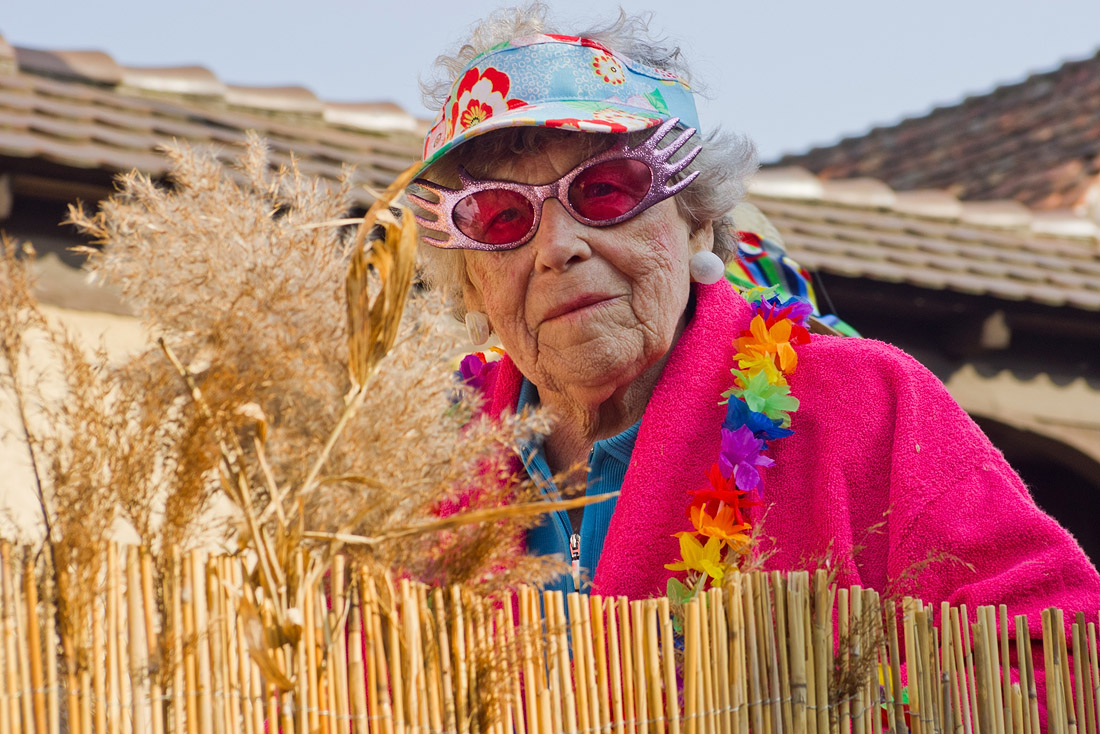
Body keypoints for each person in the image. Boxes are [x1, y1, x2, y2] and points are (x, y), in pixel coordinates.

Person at [411, 5, 1100, 625]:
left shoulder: (868, 406)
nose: (559, 248)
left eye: (607, 189)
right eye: (502, 217)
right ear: (471, 281)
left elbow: (1058, 655)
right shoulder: (404, 462)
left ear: (697, 222)